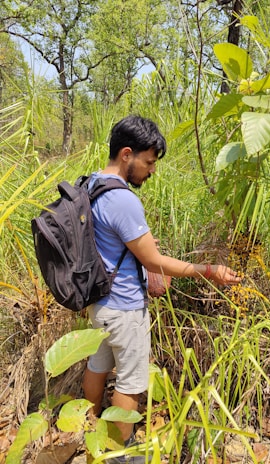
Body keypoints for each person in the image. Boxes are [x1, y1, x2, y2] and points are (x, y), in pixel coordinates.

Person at [82, 115, 241, 463]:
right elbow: (155, 262)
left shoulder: (91, 184)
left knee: (98, 363)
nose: (151, 171)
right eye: (149, 162)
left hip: (99, 303)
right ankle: (117, 453)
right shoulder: (123, 199)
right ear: (127, 154)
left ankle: (89, 429)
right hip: (124, 307)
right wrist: (209, 271)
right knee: (130, 382)